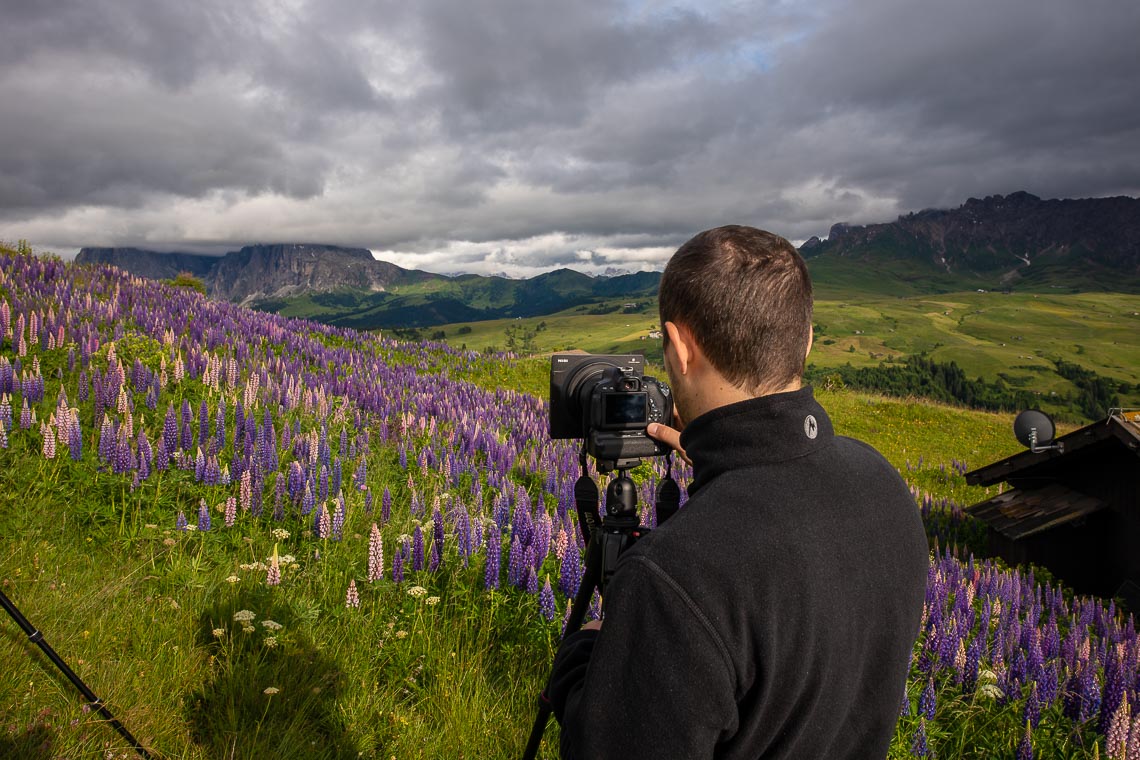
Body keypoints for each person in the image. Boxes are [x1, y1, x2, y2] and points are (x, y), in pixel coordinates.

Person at [546, 225, 929, 759]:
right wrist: (722, 465)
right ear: (808, 338)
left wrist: (587, 647)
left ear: (679, 348)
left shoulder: (677, 574)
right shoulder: (885, 488)